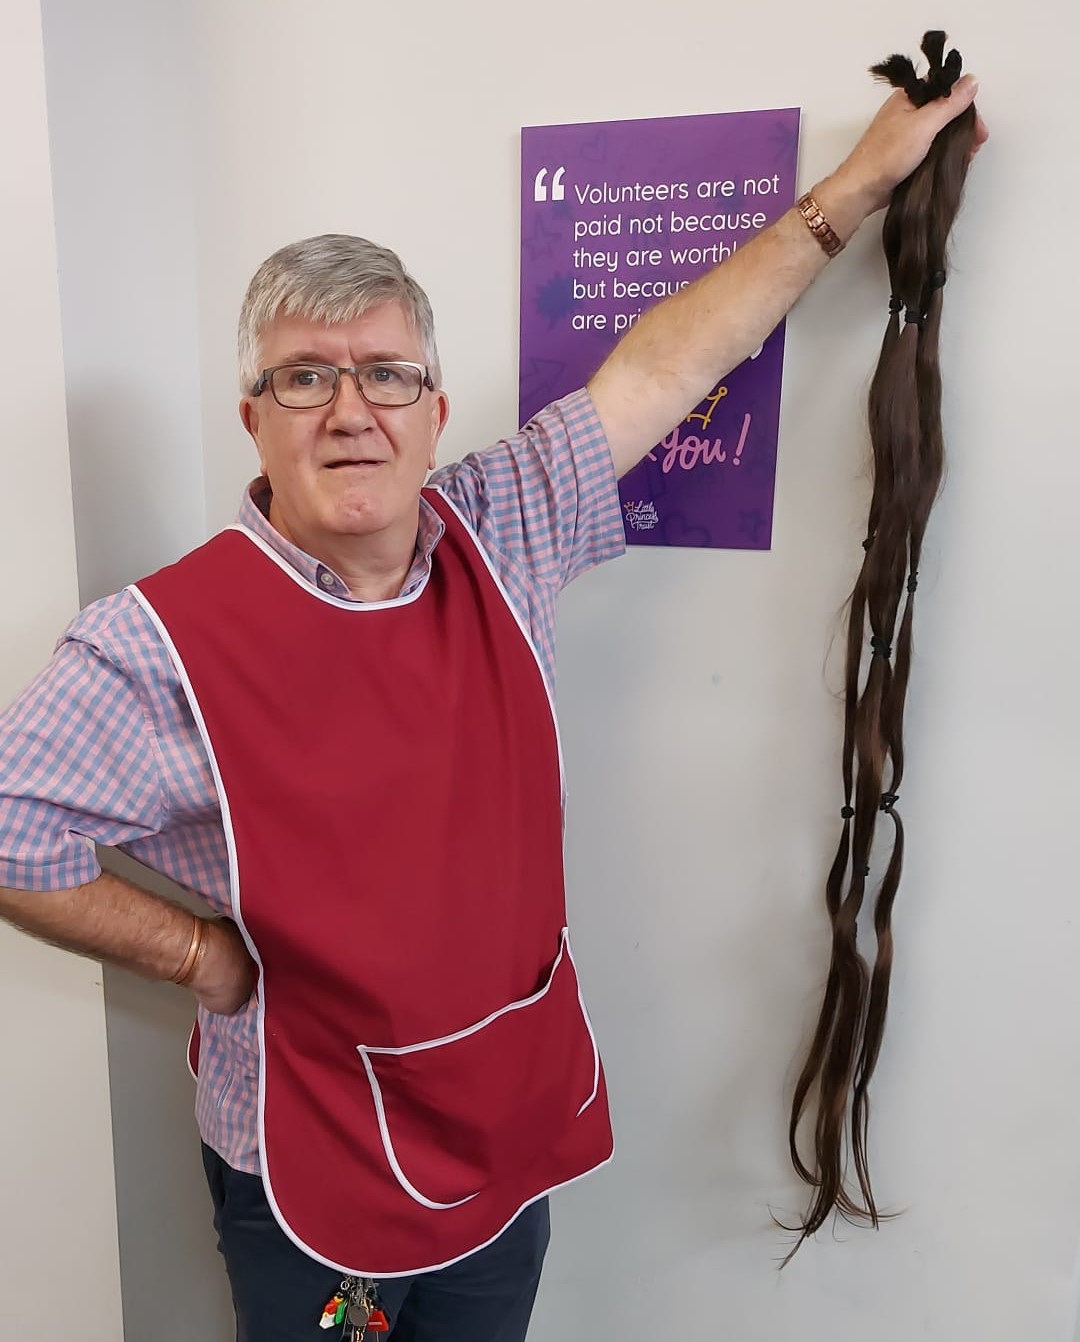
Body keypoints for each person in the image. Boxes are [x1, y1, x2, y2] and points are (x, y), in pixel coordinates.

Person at [0, 82, 986, 1341]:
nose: (350, 408)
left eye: (385, 374)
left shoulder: (505, 524)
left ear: (434, 409)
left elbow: (673, 358)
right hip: (306, 1152)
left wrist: (858, 184)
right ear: (253, 415)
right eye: (305, 377)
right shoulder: (158, 644)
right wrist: (198, 956)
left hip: (501, 1120)